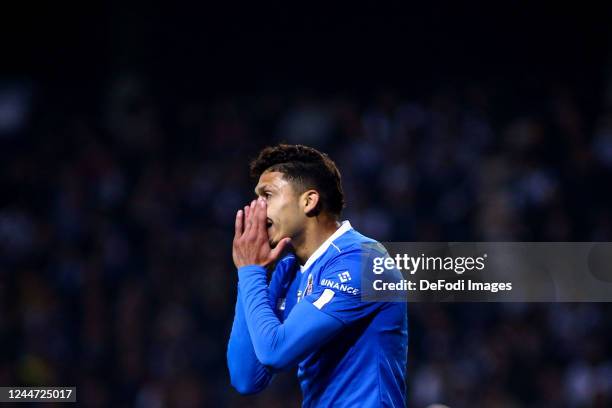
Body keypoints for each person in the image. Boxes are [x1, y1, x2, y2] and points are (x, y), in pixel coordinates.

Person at [227, 144, 407, 407]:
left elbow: (276, 352)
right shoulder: (288, 270)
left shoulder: (363, 261)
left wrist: (250, 271)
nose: (258, 208)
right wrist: (253, 273)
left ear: (309, 201)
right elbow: (247, 377)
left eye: (268, 195)